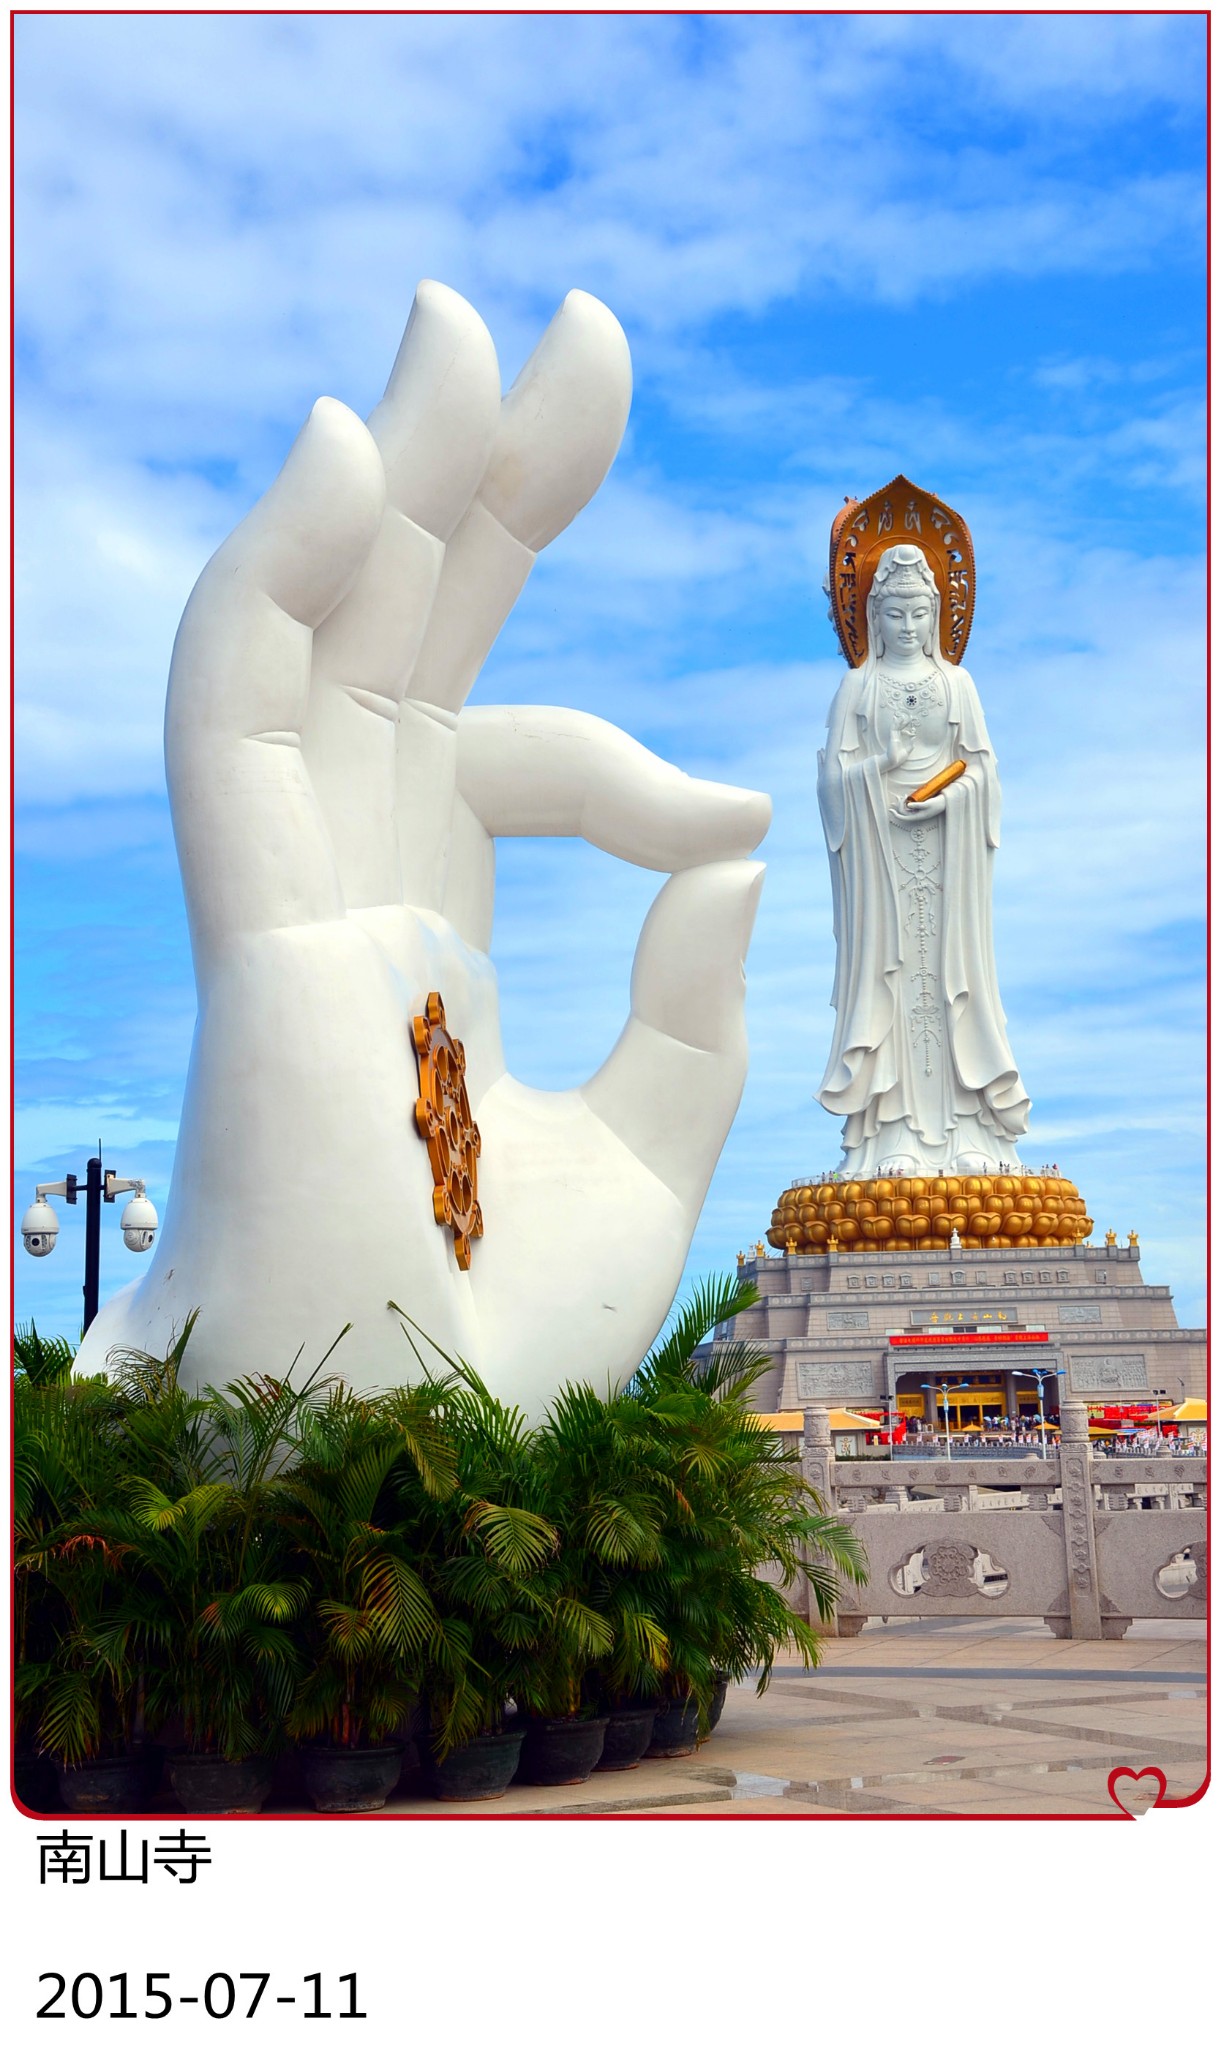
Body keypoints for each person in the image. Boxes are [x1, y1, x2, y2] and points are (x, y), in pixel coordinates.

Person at [817, 543, 1030, 1176]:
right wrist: (877, 770)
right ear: (872, 615)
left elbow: (986, 775)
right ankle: (894, 1133)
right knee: (896, 978)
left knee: (951, 982)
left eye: (918, 615)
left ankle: (970, 1130)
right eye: (894, 615)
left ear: (936, 615)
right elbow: (832, 782)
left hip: (947, 860)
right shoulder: (857, 686)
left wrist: (952, 800)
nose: (907, 629)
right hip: (880, 865)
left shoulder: (956, 684)